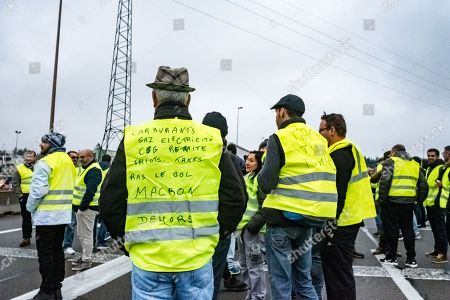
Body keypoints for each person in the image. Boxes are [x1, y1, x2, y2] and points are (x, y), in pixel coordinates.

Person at [99, 66, 246, 299]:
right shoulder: (211, 138)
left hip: (149, 259)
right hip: (197, 257)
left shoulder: (134, 138)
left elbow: (109, 199)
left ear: (154, 98)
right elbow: (236, 197)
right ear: (188, 100)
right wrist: (217, 235)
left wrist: (127, 241)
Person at [257, 94, 338, 300]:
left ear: (282, 111)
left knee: (281, 282)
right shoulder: (318, 139)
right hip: (311, 219)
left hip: (282, 219)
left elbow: (266, 183)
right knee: (304, 282)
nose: (276, 117)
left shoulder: (279, 137)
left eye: (276, 112)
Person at [318, 113, 376, 299]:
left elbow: (338, 193)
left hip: (341, 222)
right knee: (340, 272)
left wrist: (330, 224)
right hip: (348, 219)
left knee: (338, 275)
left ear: (332, 130)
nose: (318, 134)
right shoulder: (350, 150)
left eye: (321, 130)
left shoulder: (340, 154)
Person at [202, 112, 248, 298]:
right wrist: (224, 230)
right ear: (225, 133)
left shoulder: (192, 155)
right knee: (209, 283)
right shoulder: (229, 158)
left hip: (191, 232)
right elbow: (239, 198)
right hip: (217, 231)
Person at [27, 133, 76, 300]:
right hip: (62, 216)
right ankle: (56, 288)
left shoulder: (45, 162)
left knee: (45, 254)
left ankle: (47, 291)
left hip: (47, 217)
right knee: (57, 252)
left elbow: (38, 191)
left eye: (44, 142)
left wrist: (29, 207)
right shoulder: (68, 162)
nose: (41, 145)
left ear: (52, 144)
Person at [378, 144, 428, 268]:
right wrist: (418, 200)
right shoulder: (414, 165)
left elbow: (384, 183)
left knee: (392, 231)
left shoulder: (391, 162)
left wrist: (382, 201)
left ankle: (391, 257)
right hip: (409, 203)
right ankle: (411, 259)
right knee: (408, 230)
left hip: (392, 202)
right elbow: (423, 185)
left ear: (394, 152)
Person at [237, 150, 267, 300]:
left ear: (259, 163)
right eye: (247, 160)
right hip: (242, 230)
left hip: (254, 230)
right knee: (244, 264)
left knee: (255, 265)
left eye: (252, 160)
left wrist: (252, 226)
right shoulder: (246, 178)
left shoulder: (260, 179)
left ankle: (258, 296)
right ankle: (251, 293)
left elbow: (264, 206)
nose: (247, 162)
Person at [71, 149, 103, 271]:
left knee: (86, 236)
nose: (80, 159)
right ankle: (85, 257)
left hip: (88, 208)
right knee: (81, 234)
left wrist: (82, 206)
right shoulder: (87, 168)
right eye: (79, 157)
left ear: (90, 156)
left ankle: (86, 260)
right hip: (83, 209)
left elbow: (91, 190)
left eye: (82, 157)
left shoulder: (93, 170)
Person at [423, 148, 447, 263]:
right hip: (430, 203)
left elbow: (443, 184)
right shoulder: (429, 168)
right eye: (429, 155)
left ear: (437, 157)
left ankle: (443, 254)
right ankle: (437, 250)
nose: (430, 157)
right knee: (435, 229)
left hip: (438, 203)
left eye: (433, 156)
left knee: (440, 229)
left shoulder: (441, 168)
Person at [12, 150, 37, 247]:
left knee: (40, 217)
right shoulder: (19, 169)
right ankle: (26, 238)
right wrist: (20, 196)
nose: (28, 158)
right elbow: (15, 183)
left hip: (38, 195)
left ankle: (41, 237)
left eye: (31, 156)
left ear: (35, 158)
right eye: (27, 156)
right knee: (26, 218)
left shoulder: (40, 167)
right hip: (25, 196)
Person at [63, 150, 79, 255]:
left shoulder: (80, 170)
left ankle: (67, 245)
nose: (75, 159)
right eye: (73, 157)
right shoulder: (63, 170)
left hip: (73, 202)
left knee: (71, 224)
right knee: (59, 225)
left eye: (76, 158)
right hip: (60, 201)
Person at [95, 154, 112, 249]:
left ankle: (94, 242)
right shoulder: (110, 169)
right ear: (109, 160)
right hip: (105, 196)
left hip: (95, 195)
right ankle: (101, 241)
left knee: (95, 221)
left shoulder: (96, 166)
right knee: (105, 220)